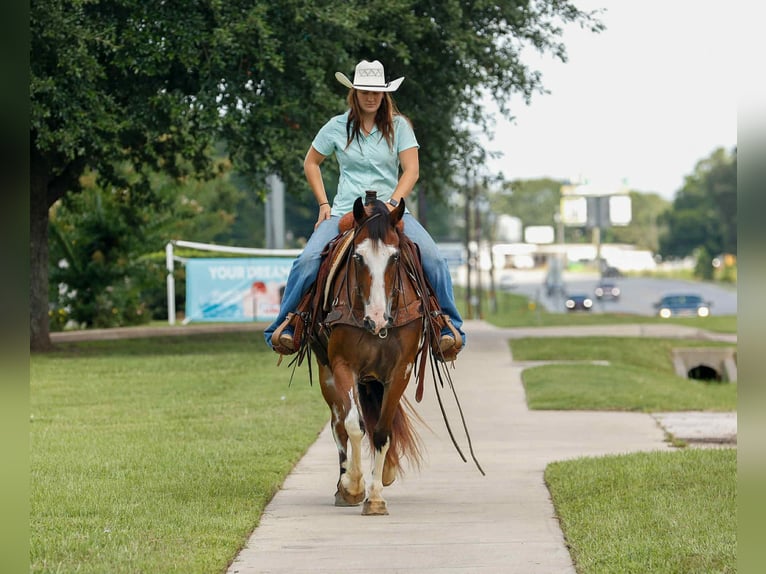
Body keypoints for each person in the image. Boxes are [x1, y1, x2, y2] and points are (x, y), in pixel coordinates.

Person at [264, 59, 465, 356]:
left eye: (376, 92)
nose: (371, 97)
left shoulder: (399, 127)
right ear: (354, 92)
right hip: (346, 210)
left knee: (434, 259)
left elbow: (411, 170)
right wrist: (323, 203)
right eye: (364, 91)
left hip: (391, 210)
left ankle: (448, 328)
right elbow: (311, 163)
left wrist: (394, 202)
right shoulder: (336, 126)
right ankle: (286, 328)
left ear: (384, 94)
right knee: (307, 261)